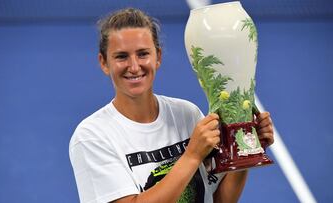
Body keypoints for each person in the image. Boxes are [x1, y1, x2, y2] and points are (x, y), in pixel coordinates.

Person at [69, 8, 274, 203]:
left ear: (158, 56)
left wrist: (244, 146)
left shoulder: (188, 114)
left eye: (143, 54)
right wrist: (192, 155)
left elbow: (218, 199)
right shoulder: (92, 136)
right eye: (121, 56)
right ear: (104, 63)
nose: (134, 66)